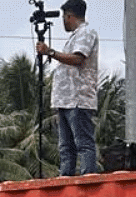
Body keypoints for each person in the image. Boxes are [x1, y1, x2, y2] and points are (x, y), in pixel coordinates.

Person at [36, 0, 98, 176]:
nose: (63, 20)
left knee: (83, 144)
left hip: (78, 98)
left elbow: (78, 58)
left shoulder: (86, 33)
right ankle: (66, 179)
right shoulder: (75, 36)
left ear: (70, 16)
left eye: (64, 16)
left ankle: (88, 180)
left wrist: (50, 52)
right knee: (65, 147)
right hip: (65, 100)